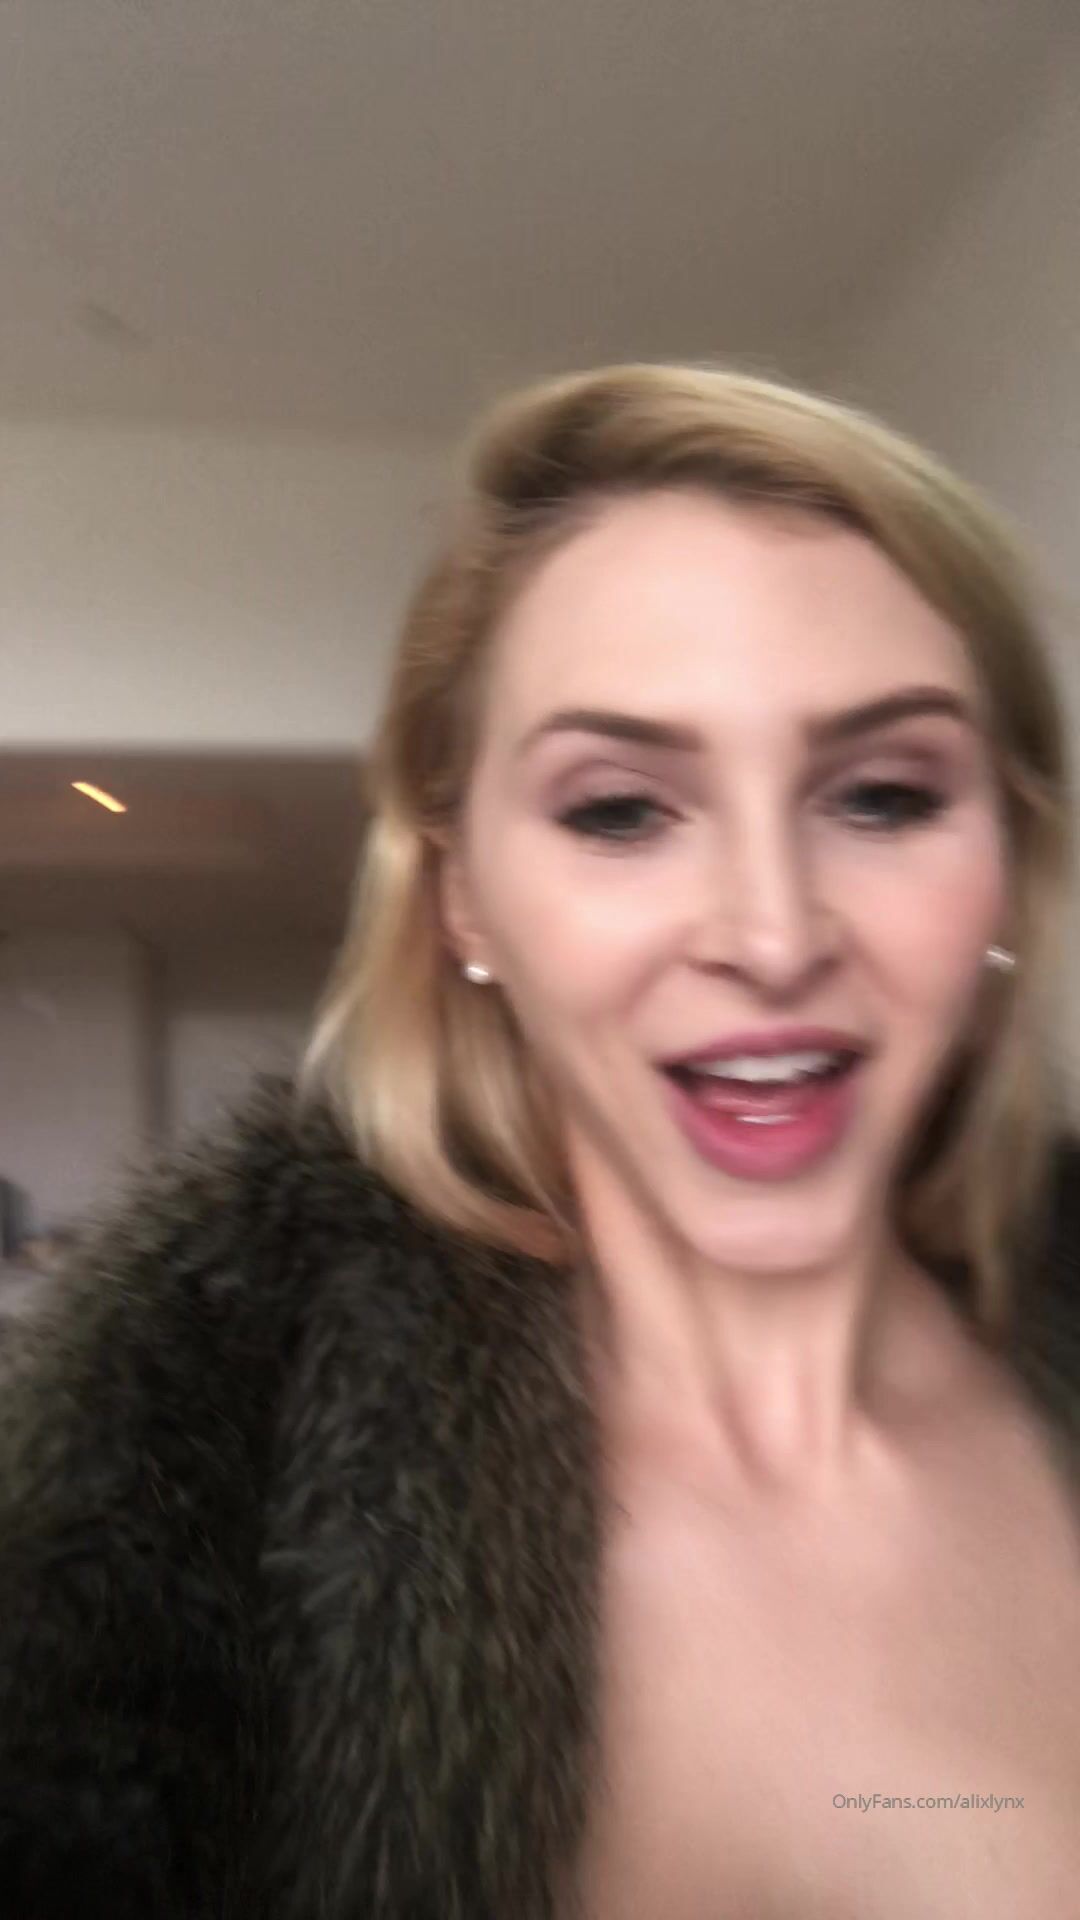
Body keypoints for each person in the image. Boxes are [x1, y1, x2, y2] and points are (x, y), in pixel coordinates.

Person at [1, 364, 1077, 1919]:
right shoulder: (186, 1485)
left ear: (1007, 860)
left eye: (887, 795)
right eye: (620, 811)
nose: (773, 936)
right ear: (465, 904)